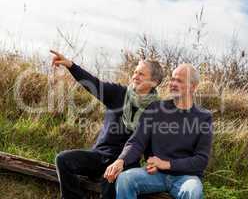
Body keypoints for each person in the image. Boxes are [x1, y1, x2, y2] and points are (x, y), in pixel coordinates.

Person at [50, 50, 164, 199]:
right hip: (99, 156)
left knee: (112, 182)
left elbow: (151, 144)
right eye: (135, 72)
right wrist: (71, 66)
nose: (135, 76)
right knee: (63, 160)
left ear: (154, 82)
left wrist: (153, 164)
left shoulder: (156, 111)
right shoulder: (118, 93)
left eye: (141, 74)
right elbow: (93, 83)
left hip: (125, 164)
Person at [105, 63, 213, 199]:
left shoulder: (204, 117)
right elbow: (137, 141)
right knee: (125, 179)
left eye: (179, 80)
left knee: (193, 191)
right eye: (172, 79)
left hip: (186, 178)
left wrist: (166, 164)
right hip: (154, 174)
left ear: (193, 87)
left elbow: (201, 160)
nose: (173, 83)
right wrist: (121, 160)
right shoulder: (155, 108)